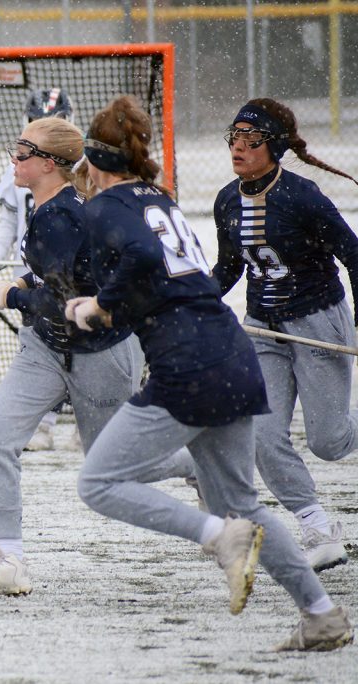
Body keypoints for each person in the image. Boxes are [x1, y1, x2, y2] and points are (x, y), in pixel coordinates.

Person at [66, 95, 352, 651]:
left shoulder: (104, 208)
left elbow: (140, 262)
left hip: (189, 365)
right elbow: (168, 275)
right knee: (243, 504)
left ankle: (218, 535)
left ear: (94, 160)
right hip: (233, 351)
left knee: (98, 484)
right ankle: (322, 616)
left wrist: (99, 305)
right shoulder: (158, 199)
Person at [0, 115, 194, 598]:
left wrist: (12, 297)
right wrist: (23, 280)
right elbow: (61, 273)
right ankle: (10, 560)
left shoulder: (60, 215)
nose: (13, 159)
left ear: (48, 164)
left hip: (101, 352)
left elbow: (68, 301)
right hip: (45, 348)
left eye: (23, 152)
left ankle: (196, 464)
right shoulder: (49, 208)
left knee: (115, 465)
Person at [213, 98, 358, 573]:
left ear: (274, 147)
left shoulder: (302, 196)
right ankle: (317, 528)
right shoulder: (227, 200)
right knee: (261, 434)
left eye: (251, 140)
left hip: (317, 321)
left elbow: (353, 254)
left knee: (329, 442)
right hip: (262, 327)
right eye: (234, 138)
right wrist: (188, 301)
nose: (238, 148)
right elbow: (229, 268)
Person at [0, 87, 77, 451]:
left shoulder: (80, 173)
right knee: (40, 342)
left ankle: (90, 419)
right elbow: (9, 222)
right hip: (34, 268)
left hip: (67, 271)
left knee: (74, 341)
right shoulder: (17, 169)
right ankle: (44, 423)